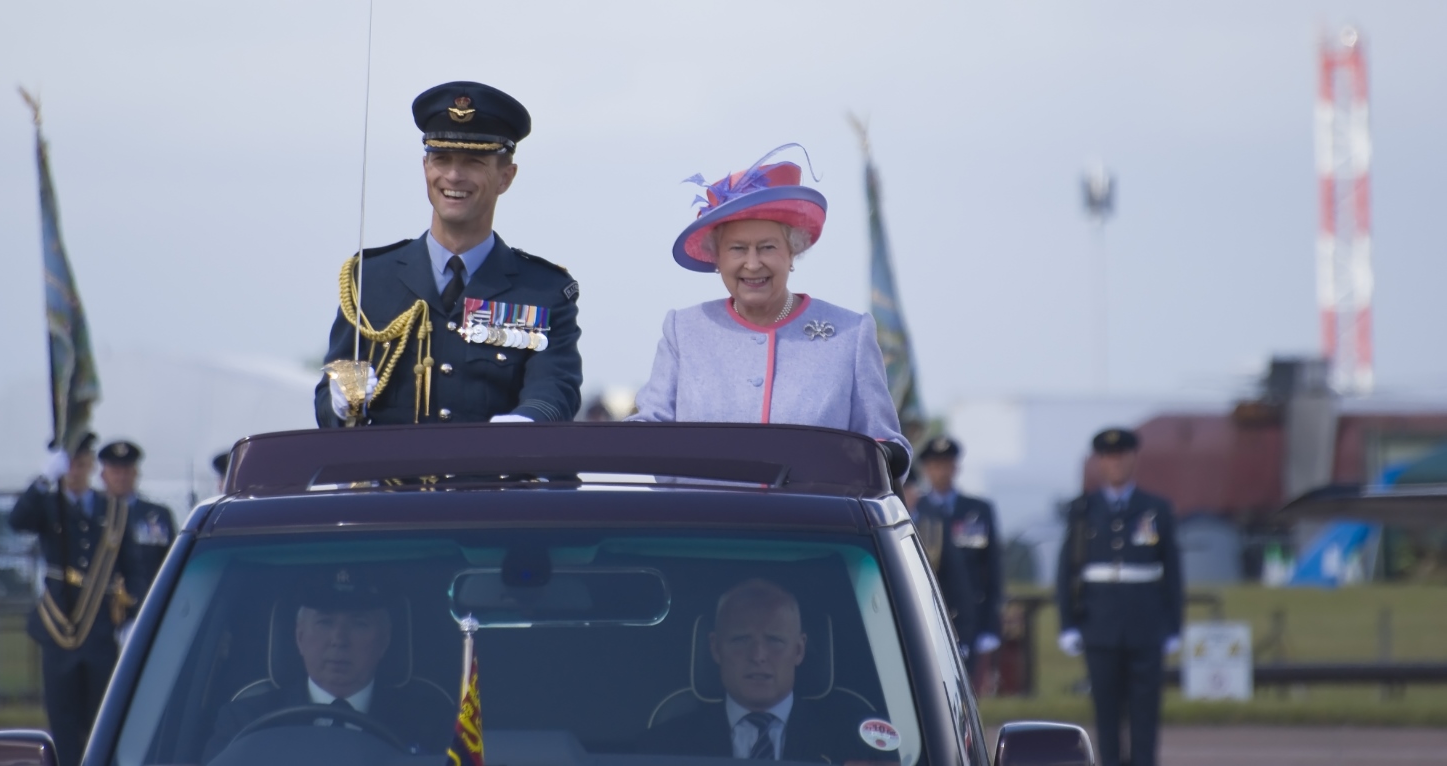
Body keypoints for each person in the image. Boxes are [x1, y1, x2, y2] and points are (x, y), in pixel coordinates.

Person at [627, 147, 910, 480]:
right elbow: (648, 431)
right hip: (700, 526)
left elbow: (887, 448)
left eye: (767, 247)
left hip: (812, 527)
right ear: (716, 259)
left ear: (793, 252)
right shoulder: (684, 330)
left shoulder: (850, 334)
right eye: (737, 249)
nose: (752, 263)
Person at [314, 81, 582, 427]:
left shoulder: (543, 291)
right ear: (426, 167)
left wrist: (526, 423)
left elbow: (555, 387)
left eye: (474, 162)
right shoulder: (370, 278)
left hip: (496, 477)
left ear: (506, 177)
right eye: (441, 159)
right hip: (391, 479)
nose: (454, 176)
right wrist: (340, 403)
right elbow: (328, 399)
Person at [202, 569, 452, 759]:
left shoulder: (431, 725)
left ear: (384, 641)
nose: (339, 641)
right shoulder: (245, 724)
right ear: (299, 637)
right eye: (324, 623)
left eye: (359, 624)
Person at [9, 433, 148, 766]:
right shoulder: (47, 502)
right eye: (68, 463)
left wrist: (133, 618)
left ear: (89, 465)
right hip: (59, 626)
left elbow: (132, 568)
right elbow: (17, 521)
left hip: (100, 625)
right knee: (64, 720)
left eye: (80, 463)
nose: (74, 470)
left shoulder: (112, 509)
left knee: (102, 717)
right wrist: (43, 480)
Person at [641, 579, 881, 763]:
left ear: (799, 650)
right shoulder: (664, 748)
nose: (757, 656)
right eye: (741, 640)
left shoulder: (855, 745)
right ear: (715, 648)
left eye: (774, 640)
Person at [1055, 428, 1183, 766]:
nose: (1115, 463)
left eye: (1121, 456)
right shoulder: (1083, 510)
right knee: (1106, 715)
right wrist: (1068, 624)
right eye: (1108, 458)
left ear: (1132, 459)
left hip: (1146, 624)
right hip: (1099, 625)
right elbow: (1066, 572)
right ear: (1099, 463)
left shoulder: (1155, 508)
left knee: (1145, 716)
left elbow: (1173, 572)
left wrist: (1173, 626)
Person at [912, 436, 1003, 670]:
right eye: (935, 465)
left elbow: (992, 570)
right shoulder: (913, 510)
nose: (942, 471)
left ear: (956, 467)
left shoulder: (978, 510)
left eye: (947, 464)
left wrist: (990, 626)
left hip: (969, 617)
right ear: (926, 469)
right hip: (925, 614)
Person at [98, 441, 178, 581]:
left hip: (148, 596)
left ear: (136, 473)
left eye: (126, 471)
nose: (121, 477)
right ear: (103, 475)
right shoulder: (93, 514)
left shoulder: (158, 515)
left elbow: (171, 561)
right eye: (115, 472)